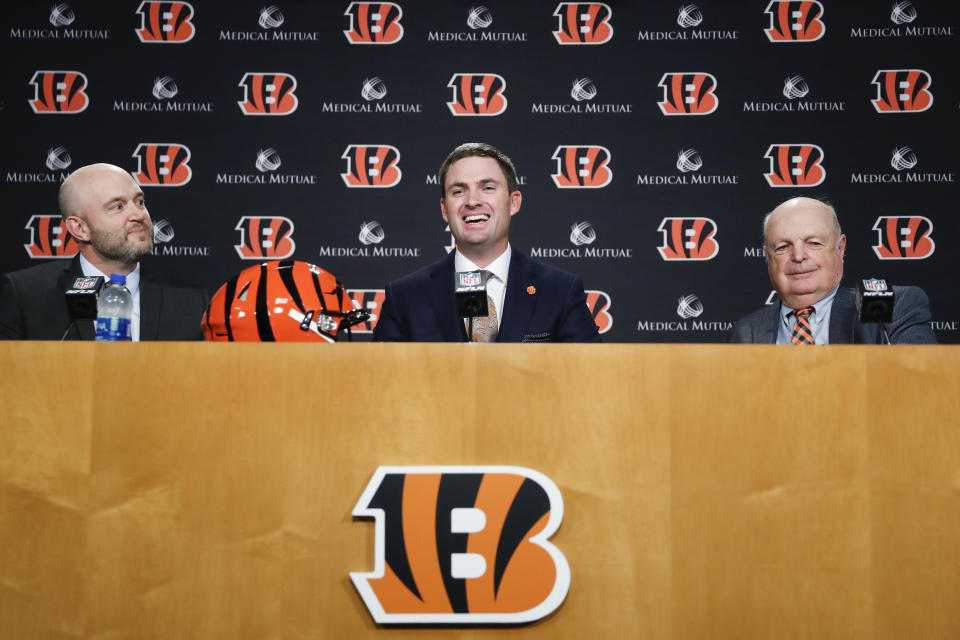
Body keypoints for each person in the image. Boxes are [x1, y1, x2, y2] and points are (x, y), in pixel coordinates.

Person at [373, 142, 600, 342]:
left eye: (488, 188)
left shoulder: (560, 291)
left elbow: (590, 377)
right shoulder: (405, 297)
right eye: (459, 191)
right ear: (444, 209)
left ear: (514, 202)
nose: (472, 201)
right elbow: (382, 382)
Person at [0, 163, 208, 340]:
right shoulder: (25, 295)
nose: (138, 214)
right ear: (80, 229)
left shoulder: (192, 301)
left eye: (140, 202)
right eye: (118, 206)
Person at [728, 196, 936, 344]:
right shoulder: (745, 333)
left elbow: (920, 384)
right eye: (783, 247)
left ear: (840, 247)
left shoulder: (892, 309)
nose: (798, 256)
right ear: (768, 256)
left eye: (814, 243)